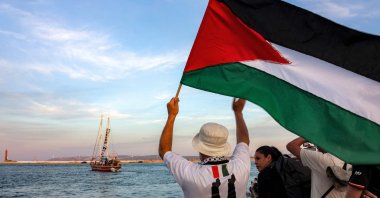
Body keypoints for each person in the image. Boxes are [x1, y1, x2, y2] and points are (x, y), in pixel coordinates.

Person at [159, 97, 250, 198]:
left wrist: (171, 115)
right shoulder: (241, 166)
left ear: (200, 147)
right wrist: (238, 113)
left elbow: (164, 151)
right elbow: (244, 141)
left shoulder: (190, 174)